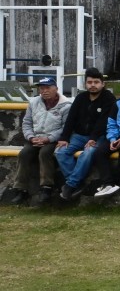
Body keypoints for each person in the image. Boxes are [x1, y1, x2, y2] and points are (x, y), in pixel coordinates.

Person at [6, 77, 71, 206]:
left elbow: (66, 128)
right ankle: (21, 189)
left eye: (48, 88)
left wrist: (49, 138)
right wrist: (31, 137)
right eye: (41, 88)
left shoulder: (66, 105)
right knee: (24, 154)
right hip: (35, 138)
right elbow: (27, 123)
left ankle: (46, 188)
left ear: (56, 89)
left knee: (45, 153)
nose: (44, 91)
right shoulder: (34, 102)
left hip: (53, 139)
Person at [54, 67, 116, 200]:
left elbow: (104, 121)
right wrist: (64, 138)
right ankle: (77, 183)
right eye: (89, 82)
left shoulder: (109, 98)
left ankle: (70, 185)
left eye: (96, 82)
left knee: (87, 153)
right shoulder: (81, 97)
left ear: (102, 84)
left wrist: (93, 138)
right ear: (85, 84)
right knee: (60, 151)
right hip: (79, 136)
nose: (92, 85)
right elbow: (71, 118)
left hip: (99, 137)